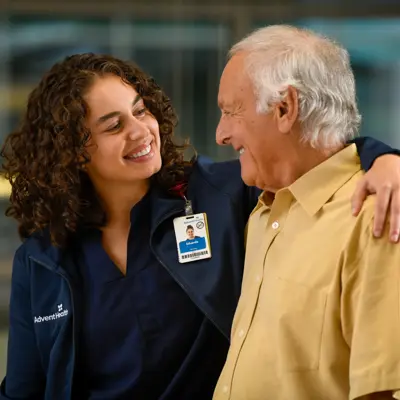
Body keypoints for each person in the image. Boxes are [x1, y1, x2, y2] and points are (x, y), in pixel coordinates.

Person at [0, 54, 399, 400]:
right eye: (113, 126)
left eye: (141, 111)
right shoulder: (42, 262)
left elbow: (313, 155)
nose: (141, 131)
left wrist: (386, 157)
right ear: (73, 153)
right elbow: (24, 389)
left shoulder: (219, 193)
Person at [214, 25, 400, 399]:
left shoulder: (377, 215)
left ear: (285, 108)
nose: (221, 134)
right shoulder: (262, 212)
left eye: (232, 112)